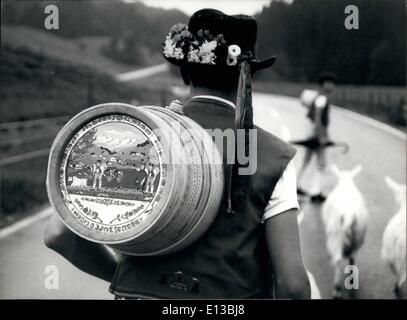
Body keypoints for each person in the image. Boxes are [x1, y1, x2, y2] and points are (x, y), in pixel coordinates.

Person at [44, 9, 310, 299]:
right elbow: (293, 286)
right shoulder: (272, 155)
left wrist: (125, 277)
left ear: (184, 72)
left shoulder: (138, 134)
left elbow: (58, 233)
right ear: (247, 78)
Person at [296, 72, 336, 203]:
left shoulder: (318, 97)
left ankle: (294, 186)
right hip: (316, 135)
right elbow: (318, 117)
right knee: (321, 164)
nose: (331, 86)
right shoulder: (322, 98)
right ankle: (315, 191)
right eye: (328, 83)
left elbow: (311, 116)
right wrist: (321, 136)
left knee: (305, 161)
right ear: (322, 85)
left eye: (332, 83)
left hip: (312, 133)